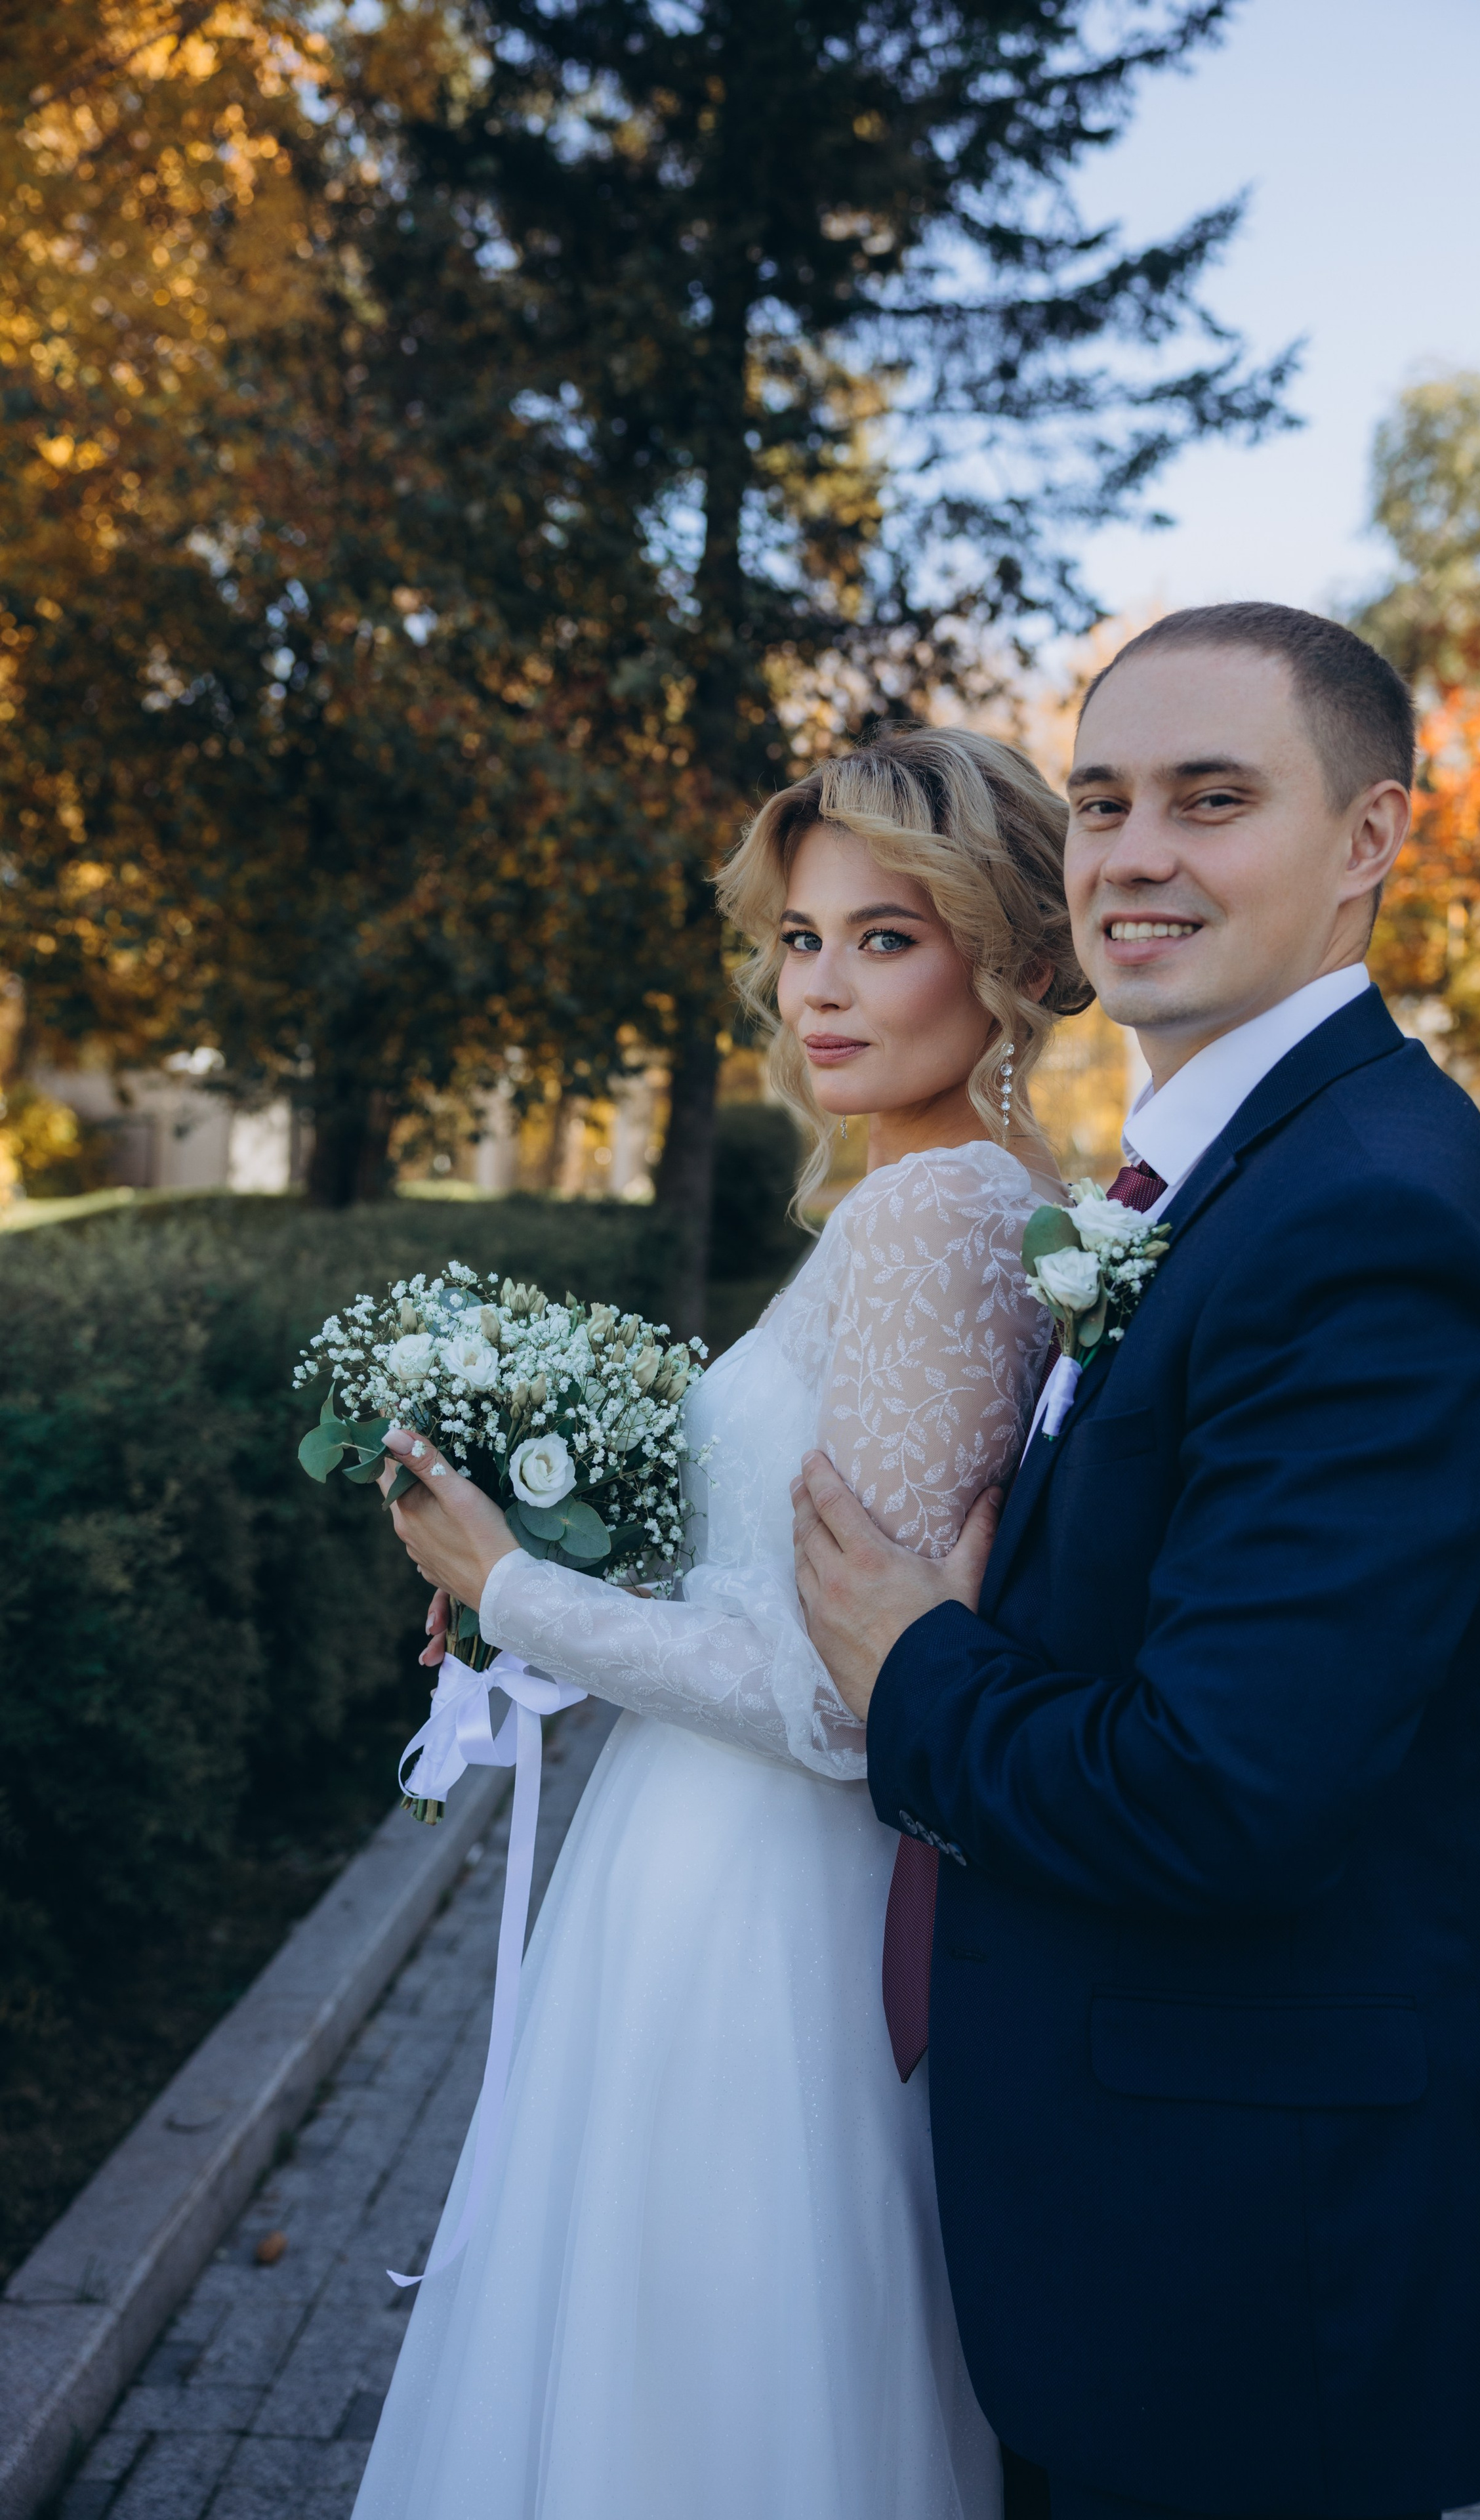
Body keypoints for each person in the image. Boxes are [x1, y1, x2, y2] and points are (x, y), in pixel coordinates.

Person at [793, 604, 1480, 2520]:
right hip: (1159, 2225)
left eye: (1212, 800)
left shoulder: (1368, 1221)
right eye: (1104, 801)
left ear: (1372, 840)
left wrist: (908, 1665)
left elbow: (1220, 1796)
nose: (1136, 855)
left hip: (1251, 2266)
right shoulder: (1228, 1171)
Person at [350, 724, 1092, 2520]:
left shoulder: (938, 1218)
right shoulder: (933, 1198)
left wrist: (508, 1584)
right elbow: (793, 1594)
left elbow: (847, 1701)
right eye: (799, 938)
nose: (817, 987)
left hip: (768, 1909)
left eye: (883, 937)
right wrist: (559, 1588)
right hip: (707, 1873)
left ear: (1002, 957)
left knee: (697, 2386)